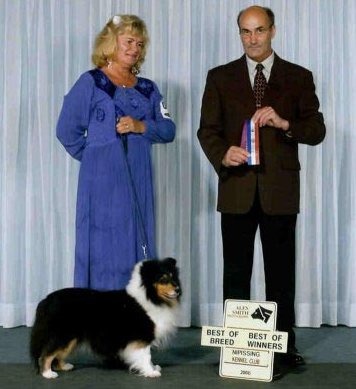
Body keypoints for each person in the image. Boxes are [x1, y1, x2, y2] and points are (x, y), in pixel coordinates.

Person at [197, 5, 325, 374]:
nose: (252, 39)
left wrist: (285, 122)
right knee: (235, 274)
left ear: (273, 31)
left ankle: (284, 351)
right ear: (239, 34)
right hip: (236, 190)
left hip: (280, 192)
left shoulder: (298, 77)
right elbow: (207, 130)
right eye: (245, 32)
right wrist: (225, 153)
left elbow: (316, 129)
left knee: (281, 275)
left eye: (259, 30)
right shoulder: (219, 77)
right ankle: (238, 352)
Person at [57, 15, 175, 291]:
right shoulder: (90, 82)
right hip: (101, 180)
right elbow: (66, 130)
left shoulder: (148, 88)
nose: (135, 48)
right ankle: (100, 318)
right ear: (111, 43)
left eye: (139, 43)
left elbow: (168, 130)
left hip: (138, 173)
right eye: (129, 41)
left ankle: (133, 315)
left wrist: (141, 126)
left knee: (136, 238)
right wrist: (95, 158)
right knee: (102, 245)